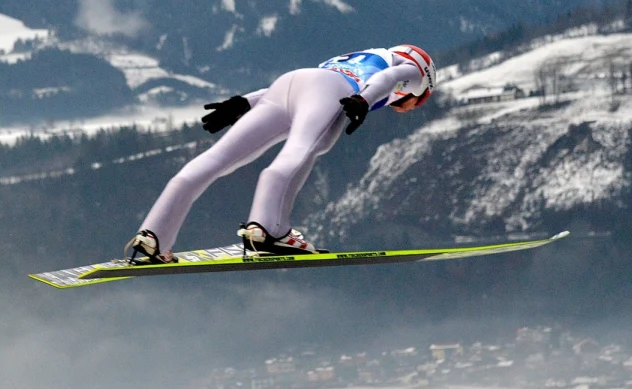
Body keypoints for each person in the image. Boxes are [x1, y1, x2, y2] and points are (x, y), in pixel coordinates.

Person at [126, 45, 437, 263]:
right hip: (330, 91)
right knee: (301, 151)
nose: (411, 107)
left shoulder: (359, 56)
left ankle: (153, 236)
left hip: (286, 85)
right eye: (418, 102)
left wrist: (244, 103)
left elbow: (305, 83)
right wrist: (365, 100)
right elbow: (387, 80)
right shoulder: (413, 69)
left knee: (216, 159)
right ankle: (267, 230)